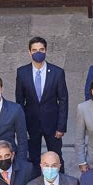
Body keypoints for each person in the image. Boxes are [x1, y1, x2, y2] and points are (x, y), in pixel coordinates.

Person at [15, 37, 69, 172]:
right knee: (33, 158)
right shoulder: (22, 73)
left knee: (56, 157)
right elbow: (19, 101)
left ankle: (61, 184)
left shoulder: (57, 72)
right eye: (34, 50)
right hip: (31, 123)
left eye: (41, 50)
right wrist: (22, 127)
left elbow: (63, 100)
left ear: (46, 51)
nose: (38, 53)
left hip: (52, 124)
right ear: (29, 52)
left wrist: (61, 127)